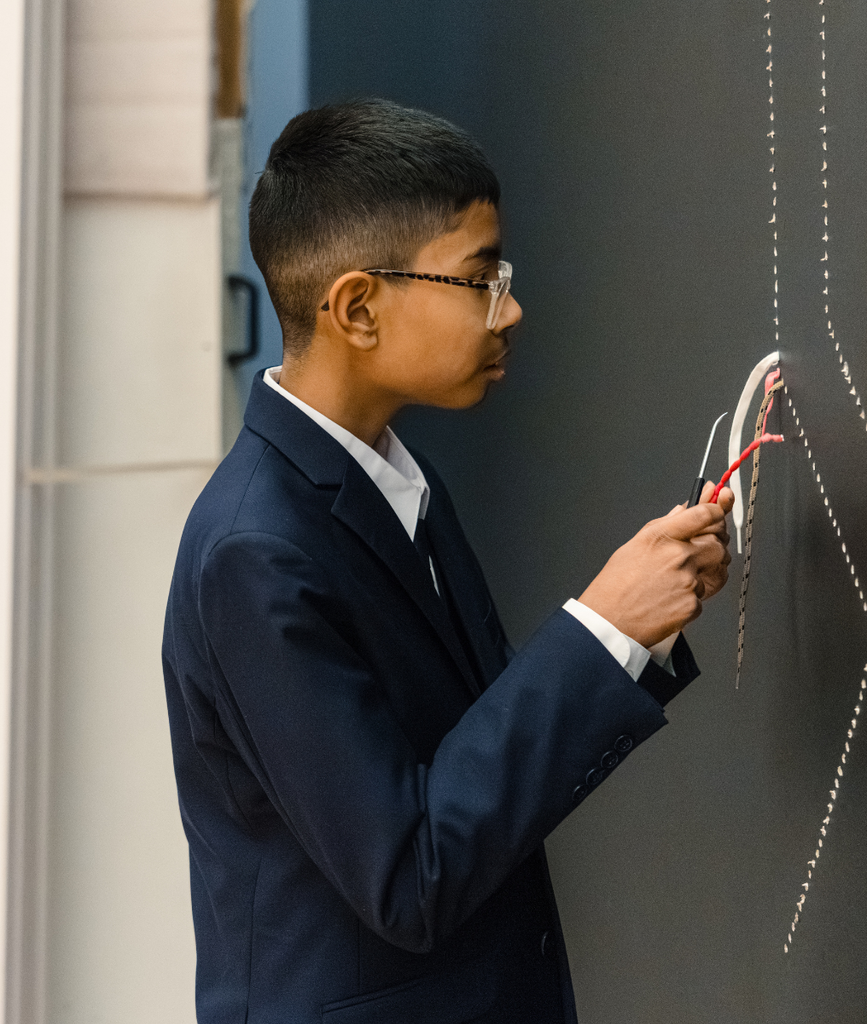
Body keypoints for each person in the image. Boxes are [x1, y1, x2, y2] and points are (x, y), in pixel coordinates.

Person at [162, 99, 734, 1024]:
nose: (511, 308)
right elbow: (408, 872)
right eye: (479, 279)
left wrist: (630, 638)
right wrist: (602, 629)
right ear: (357, 307)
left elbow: (475, 761)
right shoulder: (253, 555)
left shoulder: (392, 478)